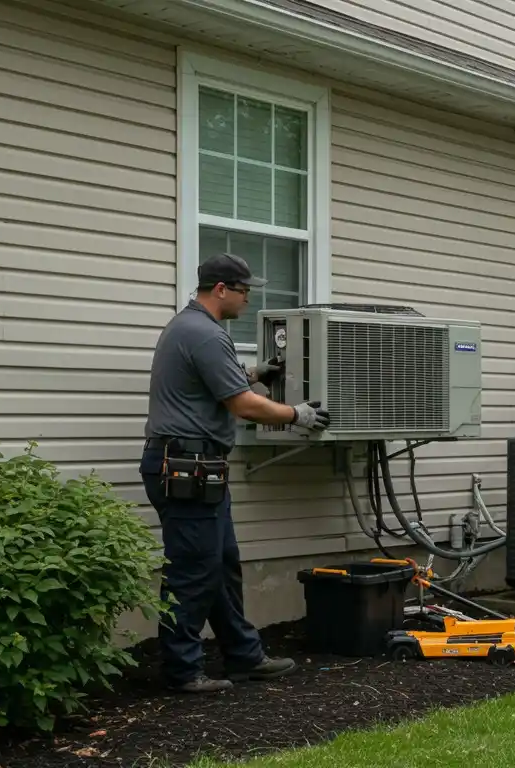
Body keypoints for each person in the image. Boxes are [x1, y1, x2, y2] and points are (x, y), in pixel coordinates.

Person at [141, 252, 332, 693]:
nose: (248, 299)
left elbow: (211, 383)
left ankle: (243, 656)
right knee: (193, 570)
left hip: (195, 467)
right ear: (221, 290)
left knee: (221, 564)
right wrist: (295, 414)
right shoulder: (204, 333)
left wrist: (253, 373)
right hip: (185, 467)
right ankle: (181, 671)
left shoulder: (191, 328)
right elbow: (242, 405)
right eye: (244, 291)